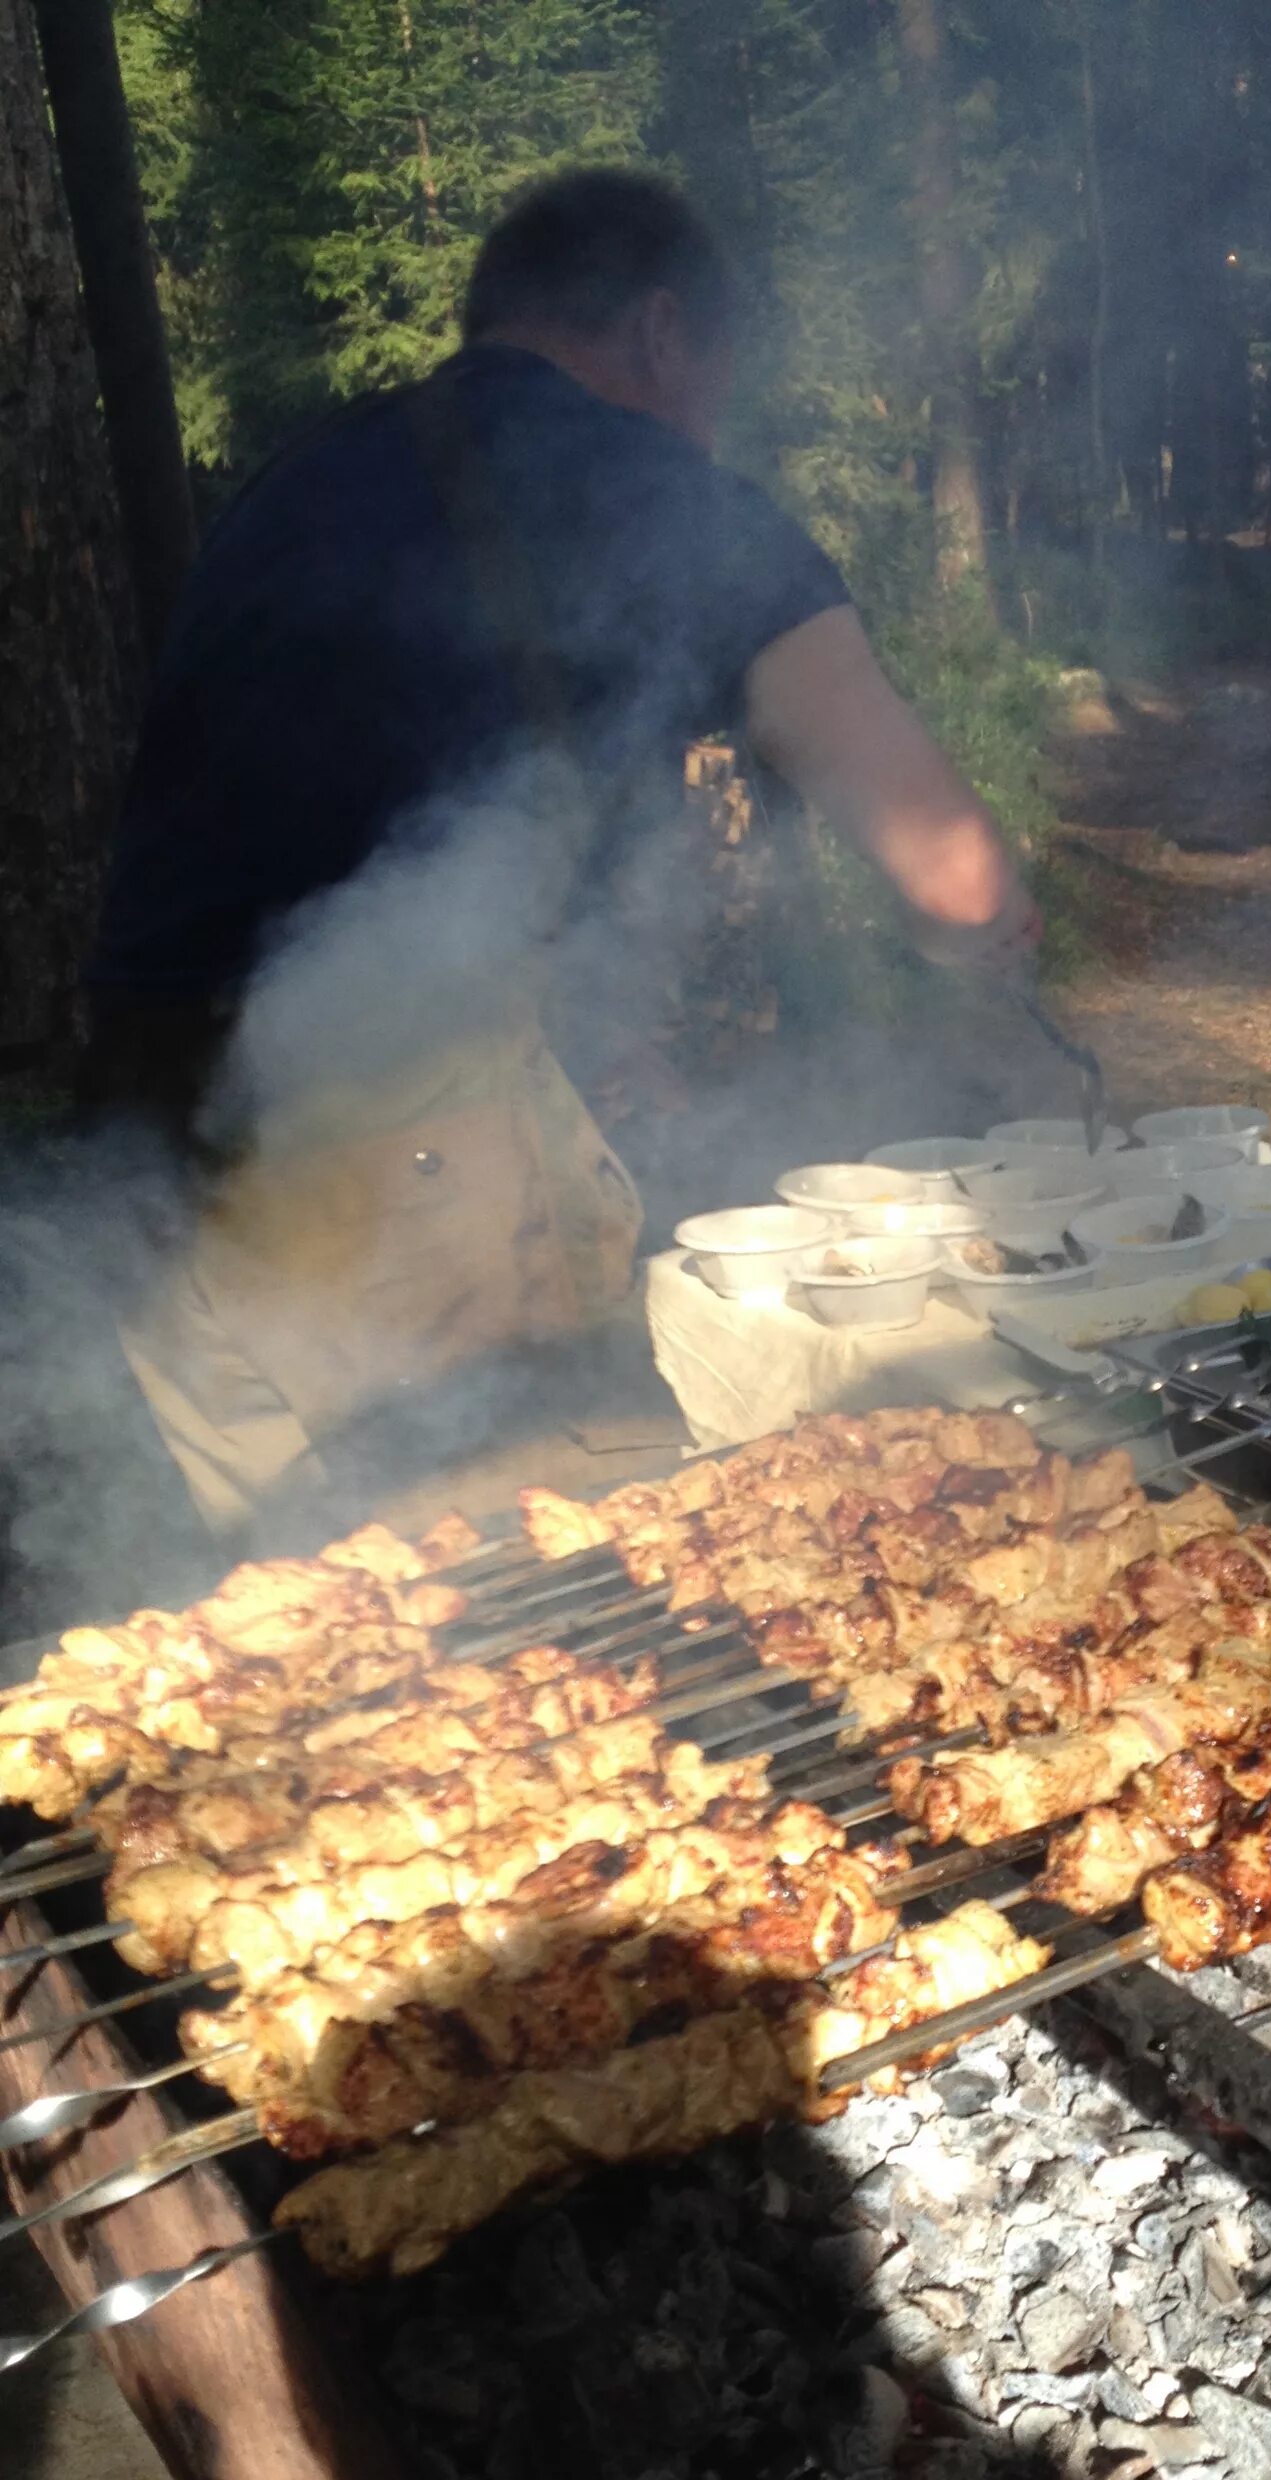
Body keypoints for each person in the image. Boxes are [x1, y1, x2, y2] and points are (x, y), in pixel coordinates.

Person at [81, 167, 1040, 1541]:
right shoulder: (649, 490)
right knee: (522, 1610)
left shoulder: (299, 482)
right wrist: (988, 936)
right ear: (663, 333)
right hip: (388, 1168)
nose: (710, 431)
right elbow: (953, 876)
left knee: (311, 1632)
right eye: (718, 381)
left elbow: (359, 827)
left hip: (155, 1166)